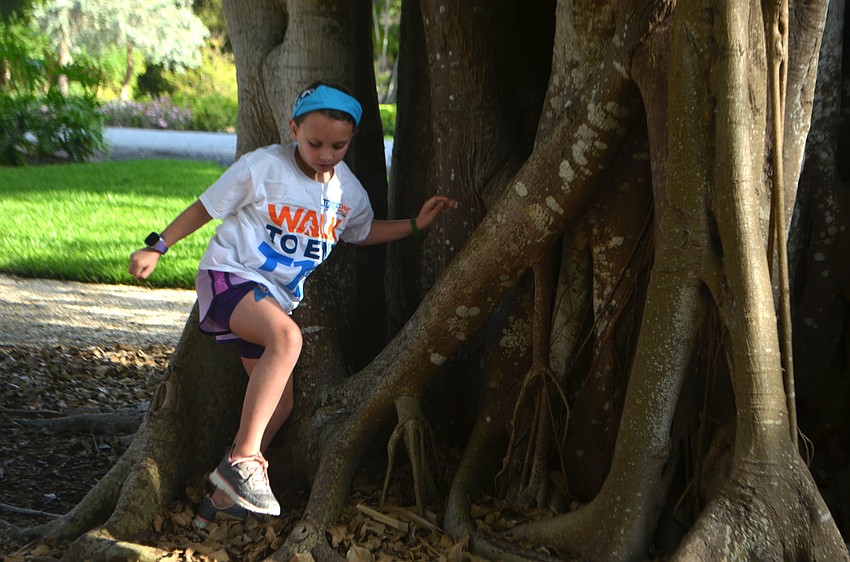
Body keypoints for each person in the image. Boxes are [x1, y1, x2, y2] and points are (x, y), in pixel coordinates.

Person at [128, 82, 456, 527]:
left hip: (271, 299)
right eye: (314, 142)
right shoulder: (263, 167)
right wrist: (158, 246)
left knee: (278, 406)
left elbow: (361, 232)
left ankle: (221, 497)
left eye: (338, 145)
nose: (325, 153)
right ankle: (245, 460)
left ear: (352, 139)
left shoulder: (348, 193)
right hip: (230, 278)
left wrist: (416, 226)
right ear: (293, 129)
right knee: (287, 338)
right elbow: (206, 207)